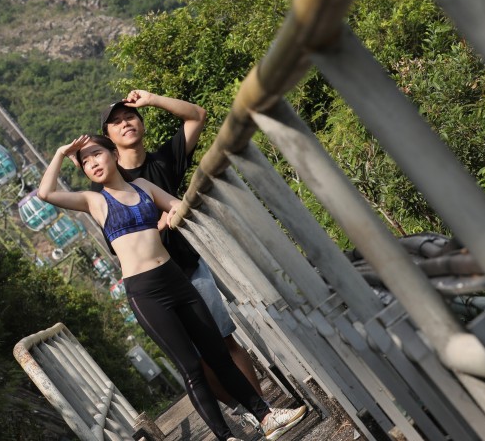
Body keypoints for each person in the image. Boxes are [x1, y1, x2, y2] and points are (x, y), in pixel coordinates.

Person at [39, 134, 306, 441]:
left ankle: (267, 416)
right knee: (192, 367)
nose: (92, 163)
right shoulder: (94, 201)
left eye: (97, 154)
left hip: (175, 278)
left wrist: (167, 218)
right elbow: (46, 193)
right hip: (145, 292)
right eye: (85, 161)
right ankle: (226, 437)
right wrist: (61, 151)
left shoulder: (144, 188)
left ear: (114, 154)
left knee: (217, 353)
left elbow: (179, 206)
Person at [98, 91, 266, 427]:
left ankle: (265, 411)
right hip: (156, 284)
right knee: (199, 360)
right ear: (109, 139)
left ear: (141, 121)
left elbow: (197, 116)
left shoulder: (161, 162)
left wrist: (150, 99)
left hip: (189, 267)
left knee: (223, 341)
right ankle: (242, 412)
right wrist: (155, 224)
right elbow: (118, 243)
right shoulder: (110, 185)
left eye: (129, 116)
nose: (125, 123)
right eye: (115, 122)